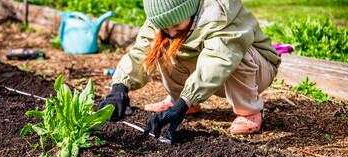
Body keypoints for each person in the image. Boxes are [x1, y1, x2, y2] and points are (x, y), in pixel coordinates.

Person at [98, 0, 281, 140]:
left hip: (256, 71)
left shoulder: (220, 14)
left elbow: (218, 60)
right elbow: (141, 52)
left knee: (235, 52)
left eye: (176, 26)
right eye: (165, 27)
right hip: (216, 77)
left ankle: (249, 111)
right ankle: (181, 99)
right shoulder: (163, 17)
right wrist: (119, 88)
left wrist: (182, 105)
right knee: (161, 44)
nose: (171, 32)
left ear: (190, 10)